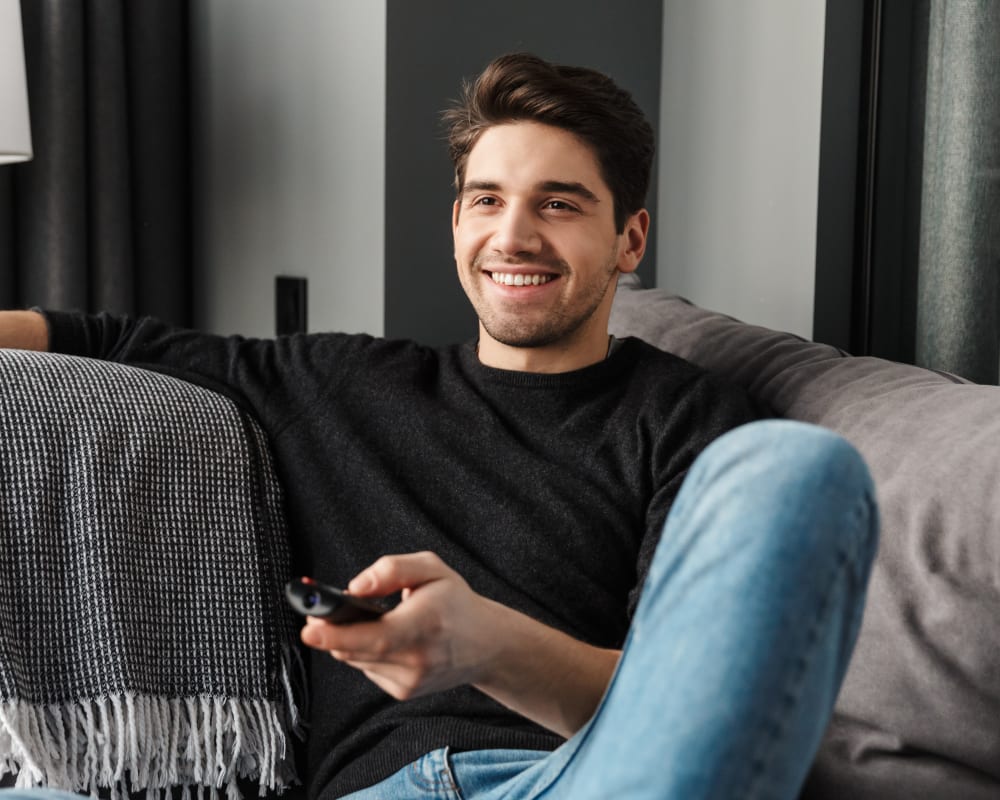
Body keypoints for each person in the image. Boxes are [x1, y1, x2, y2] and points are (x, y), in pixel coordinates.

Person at [0, 53, 878, 799]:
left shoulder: (688, 419)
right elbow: (104, 339)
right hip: (379, 789)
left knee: (803, 471)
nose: (515, 235)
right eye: (487, 200)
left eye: (560, 205)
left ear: (630, 240)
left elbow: (686, 699)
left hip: (578, 777)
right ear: (458, 221)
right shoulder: (342, 380)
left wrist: (482, 645)